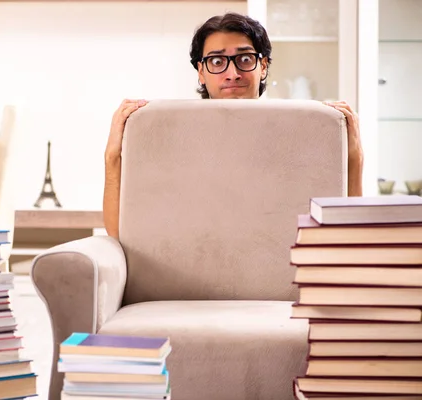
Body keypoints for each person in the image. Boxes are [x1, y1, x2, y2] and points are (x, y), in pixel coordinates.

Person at [103, 12, 364, 238]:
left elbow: (344, 230)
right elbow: (121, 235)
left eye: (245, 59)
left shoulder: (301, 133)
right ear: (201, 72)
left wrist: (354, 159)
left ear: (263, 66)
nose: (232, 73)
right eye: (217, 61)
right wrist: (112, 157)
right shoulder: (173, 136)